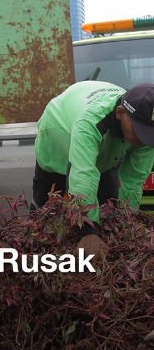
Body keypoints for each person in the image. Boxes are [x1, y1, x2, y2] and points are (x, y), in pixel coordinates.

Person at [32, 81, 154, 257]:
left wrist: (127, 222)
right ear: (120, 113)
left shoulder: (146, 127)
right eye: (139, 130)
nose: (143, 139)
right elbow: (82, 172)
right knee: (47, 212)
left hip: (104, 150)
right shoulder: (90, 121)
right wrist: (88, 231)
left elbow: (134, 179)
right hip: (58, 133)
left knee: (108, 208)